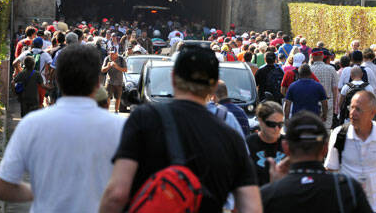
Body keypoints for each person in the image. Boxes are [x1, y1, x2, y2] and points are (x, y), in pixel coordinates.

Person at [99, 46, 261, 213]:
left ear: (173, 78)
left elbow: (117, 194)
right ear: (214, 87)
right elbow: (250, 206)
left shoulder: (143, 119)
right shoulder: (230, 130)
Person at [0, 44, 126, 212]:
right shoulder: (121, 128)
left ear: (58, 79)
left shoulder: (31, 124)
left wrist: (44, 192)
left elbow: (1, 188)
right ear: (97, 82)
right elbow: (124, 192)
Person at [261, 111, 373, 213]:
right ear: (325, 148)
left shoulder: (267, 195)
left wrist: (274, 187)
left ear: (286, 147)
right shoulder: (348, 189)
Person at [325, 91, 376, 213]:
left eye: (358, 109)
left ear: (372, 113)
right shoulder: (339, 134)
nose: (352, 113)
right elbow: (330, 172)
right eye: (351, 107)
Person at [246, 101, 286, 186]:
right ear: (260, 121)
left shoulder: (287, 144)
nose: (277, 128)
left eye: (280, 124)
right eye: (272, 124)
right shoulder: (248, 144)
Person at [310, 47, 340, 130]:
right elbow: (335, 88)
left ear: (312, 57)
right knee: (326, 128)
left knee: (315, 127)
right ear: (322, 56)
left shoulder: (309, 69)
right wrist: (335, 105)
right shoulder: (331, 69)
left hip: (314, 103)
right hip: (328, 102)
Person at [101, 48, 127, 114]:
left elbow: (125, 70)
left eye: (113, 53)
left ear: (116, 53)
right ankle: (106, 112)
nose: (112, 55)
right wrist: (108, 67)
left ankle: (116, 111)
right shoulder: (107, 58)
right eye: (111, 53)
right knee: (107, 97)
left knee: (118, 98)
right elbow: (102, 70)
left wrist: (117, 67)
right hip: (110, 81)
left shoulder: (121, 59)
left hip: (119, 82)